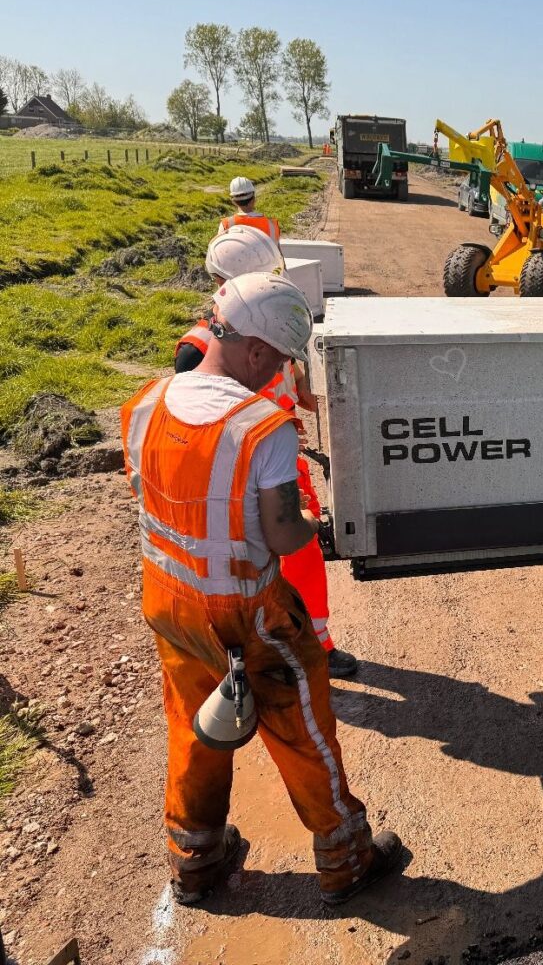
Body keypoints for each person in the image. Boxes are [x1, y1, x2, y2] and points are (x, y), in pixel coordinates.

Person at [121, 272, 403, 906]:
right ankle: (347, 858)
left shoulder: (144, 403)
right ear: (254, 350)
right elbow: (279, 535)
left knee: (195, 728)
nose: (275, 372)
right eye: (277, 359)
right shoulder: (261, 427)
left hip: (168, 600)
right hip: (247, 615)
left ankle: (196, 862)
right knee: (302, 728)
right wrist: (316, 527)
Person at [175, 226, 358, 680]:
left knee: (305, 558)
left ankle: (317, 642)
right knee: (247, 569)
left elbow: (301, 391)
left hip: (282, 460)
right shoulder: (198, 350)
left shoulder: (270, 327)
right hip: (236, 472)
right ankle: (253, 655)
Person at [218, 176, 281, 242]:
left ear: (233, 202)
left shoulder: (226, 224)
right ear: (253, 199)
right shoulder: (272, 225)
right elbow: (277, 251)